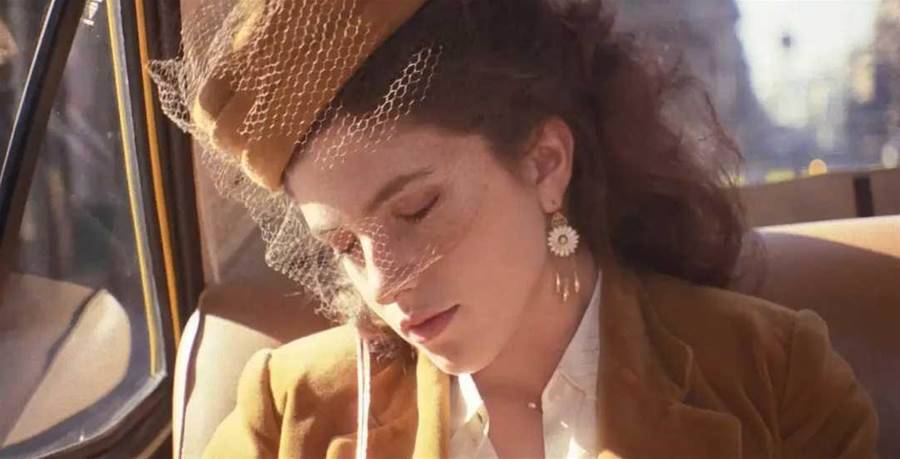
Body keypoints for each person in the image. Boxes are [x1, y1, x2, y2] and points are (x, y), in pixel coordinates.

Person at [154, 0, 879, 457]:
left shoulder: (771, 378)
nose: (384, 283)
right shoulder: (289, 413)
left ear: (544, 163)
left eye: (416, 209)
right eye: (344, 245)